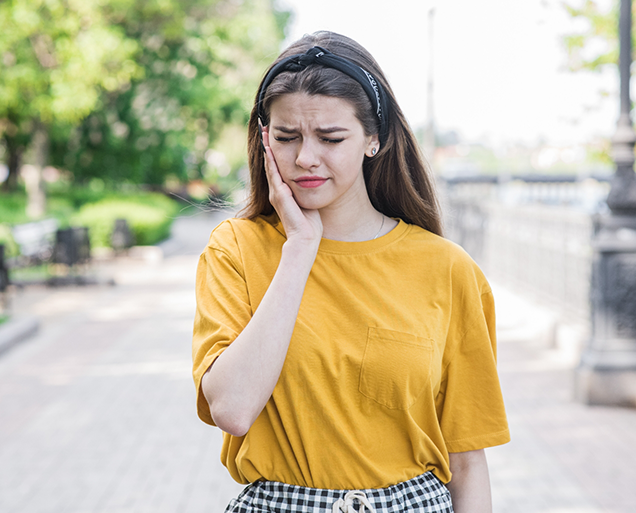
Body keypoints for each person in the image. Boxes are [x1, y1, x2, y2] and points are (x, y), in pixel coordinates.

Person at [192, 31, 510, 513]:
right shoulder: (235, 249)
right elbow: (232, 409)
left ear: (373, 139)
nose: (305, 158)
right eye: (286, 137)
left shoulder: (447, 269)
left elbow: (466, 462)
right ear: (263, 140)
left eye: (330, 138)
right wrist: (299, 247)